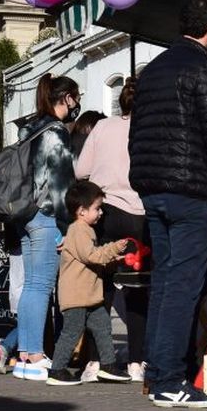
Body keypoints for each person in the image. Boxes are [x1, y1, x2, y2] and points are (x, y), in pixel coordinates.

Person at [128, 0, 207, 408]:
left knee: (165, 281)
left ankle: (158, 372)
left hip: (154, 188)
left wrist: (143, 181)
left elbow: (135, 133)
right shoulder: (206, 67)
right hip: (192, 191)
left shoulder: (153, 69)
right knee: (184, 285)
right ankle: (170, 380)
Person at [2, 74, 80, 381]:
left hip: (24, 215)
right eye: (75, 97)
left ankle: (25, 354)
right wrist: (65, 228)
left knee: (32, 286)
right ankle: (33, 354)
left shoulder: (30, 131)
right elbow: (61, 186)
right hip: (46, 216)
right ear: (65, 98)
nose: (76, 104)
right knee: (40, 286)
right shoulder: (56, 133)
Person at [75, 76, 151, 382]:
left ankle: (95, 362)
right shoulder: (151, 128)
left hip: (106, 213)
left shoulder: (103, 127)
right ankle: (136, 362)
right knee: (137, 290)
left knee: (101, 290)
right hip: (140, 213)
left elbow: (81, 171)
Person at [46, 179, 132, 385]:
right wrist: (113, 249)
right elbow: (91, 256)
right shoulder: (79, 230)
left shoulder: (86, 230)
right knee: (72, 332)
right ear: (81, 211)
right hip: (77, 297)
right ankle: (57, 370)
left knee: (103, 327)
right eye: (97, 208)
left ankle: (108, 365)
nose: (100, 212)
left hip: (90, 297)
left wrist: (113, 259)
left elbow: (91, 261)